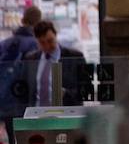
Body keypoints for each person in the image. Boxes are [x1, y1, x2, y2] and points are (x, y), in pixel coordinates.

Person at [22, 20, 85, 107]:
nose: (47, 46)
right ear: (37, 41)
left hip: (66, 112)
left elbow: (85, 88)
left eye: (50, 41)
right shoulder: (31, 59)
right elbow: (25, 88)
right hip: (37, 113)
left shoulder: (74, 57)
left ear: (56, 35)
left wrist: (66, 93)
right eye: (42, 43)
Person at [0, 7, 42, 135]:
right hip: (29, 104)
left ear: (23, 20)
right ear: (38, 22)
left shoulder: (5, 44)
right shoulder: (37, 44)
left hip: (6, 102)